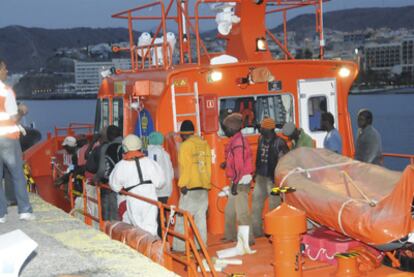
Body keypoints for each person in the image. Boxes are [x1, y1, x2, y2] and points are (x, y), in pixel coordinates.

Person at [0, 59, 34, 222]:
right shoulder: (6, 91)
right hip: (8, 138)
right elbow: (14, 117)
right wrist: (22, 110)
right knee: (17, 174)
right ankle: (25, 210)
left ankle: (1, 214)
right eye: (5, 69)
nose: (7, 72)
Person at [109, 134, 164, 236]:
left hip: (134, 199)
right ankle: (152, 249)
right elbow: (160, 182)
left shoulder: (121, 165)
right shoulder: (150, 162)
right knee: (151, 229)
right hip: (150, 198)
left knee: (137, 231)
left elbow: (114, 186)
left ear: (125, 148)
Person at [173, 120, 211, 251]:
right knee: (201, 220)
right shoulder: (204, 143)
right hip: (203, 187)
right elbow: (208, 165)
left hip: (190, 188)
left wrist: (182, 184)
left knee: (182, 219)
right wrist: (206, 183)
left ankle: (179, 248)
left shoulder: (185, 146)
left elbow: (185, 167)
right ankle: (202, 246)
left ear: (183, 134)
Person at [221, 113, 255, 248]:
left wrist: (235, 184)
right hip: (236, 179)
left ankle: (248, 239)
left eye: (225, 129)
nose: (224, 131)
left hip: (241, 181)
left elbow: (240, 166)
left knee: (242, 212)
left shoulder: (238, 143)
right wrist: (226, 164)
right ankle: (230, 235)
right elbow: (235, 160)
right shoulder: (235, 140)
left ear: (232, 129)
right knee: (230, 210)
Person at [252, 117, 289, 238]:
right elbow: (258, 156)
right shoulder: (261, 139)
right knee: (256, 205)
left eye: (262, 127)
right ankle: (257, 231)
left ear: (268, 129)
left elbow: (285, 163)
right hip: (261, 176)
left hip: (273, 180)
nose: (260, 129)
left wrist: (279, 180)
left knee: (274, 206)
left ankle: (273, 232)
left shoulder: (280, 143)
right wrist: (256, 172)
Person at [147, 131, 174, 237]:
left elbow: (153, 170)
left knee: (157, 216)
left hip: (157, 190)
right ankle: (164, 238)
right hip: (166, 189)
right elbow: (171, 173)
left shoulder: (153, 152)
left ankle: (161, 240)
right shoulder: (165, 153)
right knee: (162, 215)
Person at [96, 125, 123, 221]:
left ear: (109, 135)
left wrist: (97, 179)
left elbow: (104, 168)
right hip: (127, 187)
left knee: (110, 216)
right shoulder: (126, 144)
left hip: (111, 186)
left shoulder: (109, 147)